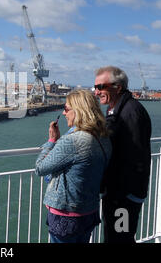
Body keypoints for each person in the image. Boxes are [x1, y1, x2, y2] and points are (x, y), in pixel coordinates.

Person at [35, 90, 112, 243]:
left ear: (78, 110)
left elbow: (40, 168)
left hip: (66, 216)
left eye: (66, 108)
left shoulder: (73, 141)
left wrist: (51, 141)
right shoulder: (104, 138)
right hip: (89, 211)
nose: (64, 113)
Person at [94, 66, 152, 243]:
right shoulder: (117, 109)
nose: (97, 92)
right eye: (95, 87)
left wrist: (125, 193)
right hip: (117, 193)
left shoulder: (130, 112)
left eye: (101, 87)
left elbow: (136, 155)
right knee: (117, 236)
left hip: (124, 195)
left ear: (117, 87)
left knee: (120, 238)